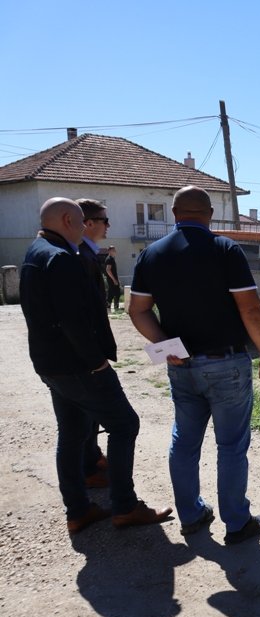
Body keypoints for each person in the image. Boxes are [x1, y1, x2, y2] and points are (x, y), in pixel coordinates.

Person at [129, 186, 260, 545]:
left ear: (174, 213)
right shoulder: (224, 249)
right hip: (226, 363)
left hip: (181, 366)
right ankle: (237, 523)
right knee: (230, 446)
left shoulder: (150, 255)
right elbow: (251, 308)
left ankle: (191, 515)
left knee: (184, 441)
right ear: (209, 214)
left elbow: (138, 310)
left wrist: (165, 347)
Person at [19, 198, 172, 535]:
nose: (88, 228)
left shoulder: (36, 251)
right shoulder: (60, 259)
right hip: (79, 367)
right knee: (124, 424)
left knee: (72, 434)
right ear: (67, 220)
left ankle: (78, 510)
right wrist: (97, 363)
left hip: (51, 366)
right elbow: (73, 321)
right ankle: (125, 506)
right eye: (82, 222)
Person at [75, 199, 113, 488]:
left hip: (89, 355)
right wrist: (95, 359)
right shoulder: (78, 256)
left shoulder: (88, 254)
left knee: (89, 416)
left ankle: (92, 457)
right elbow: (77, 315)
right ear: (87, 223)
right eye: (103, 219)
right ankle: (88, 469)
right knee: (91, 415)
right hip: (85, 359)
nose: (108, 225)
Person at [105, 246, 121, 310]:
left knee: (111, 293)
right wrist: (114, 280)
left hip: (113, 279)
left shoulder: (112, 258)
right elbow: (108, 270)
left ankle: (109, 306)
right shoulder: (109, 259)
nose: (115, 251)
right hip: (111, 280)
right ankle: (115, 307)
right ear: (109, 251)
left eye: (115, 250)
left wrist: (117, 279)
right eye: (113, 250)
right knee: (117, 292)